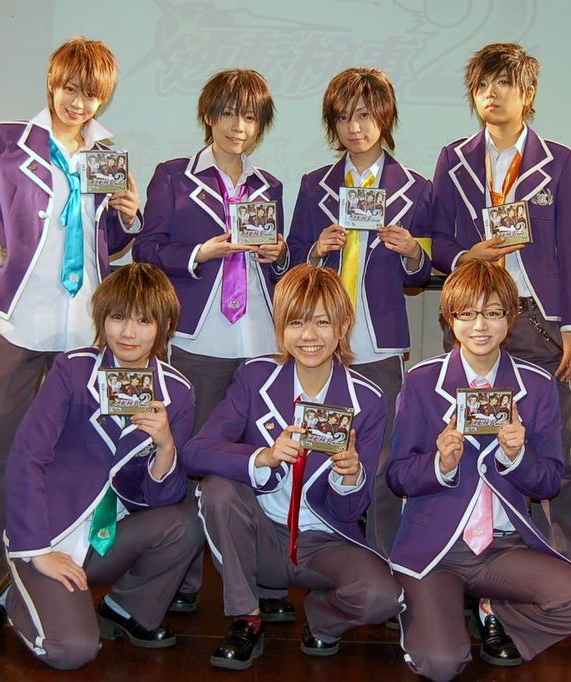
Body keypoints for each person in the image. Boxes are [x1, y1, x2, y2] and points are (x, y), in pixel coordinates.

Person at [0, 36, 142, 620]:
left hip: (84, 325)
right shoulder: (7, 141)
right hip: (21, 318)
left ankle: (64, 558)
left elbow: (107, 244)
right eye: (71, 89)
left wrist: (129, 216)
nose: (78, 103)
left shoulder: (107, 154)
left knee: (78, 446)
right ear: (52, 82)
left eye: (91, 95)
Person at [429, 43, 571, 641]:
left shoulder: (559, 160)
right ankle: (476, 583)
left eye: (504, 83)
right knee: (472, 450)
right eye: (483, 84)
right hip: (474, 322)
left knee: (554, 461)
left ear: (527, 93)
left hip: (538, 324)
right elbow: (436, 238)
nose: (492, 94)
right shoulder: (454, 158)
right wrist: (466, 255)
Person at [388, 261, 571, 681]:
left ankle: (497, 609)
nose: (480, 326)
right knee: (441, 665)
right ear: (450, 319)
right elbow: (398, 475)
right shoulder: (421, 381)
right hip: (437, 549)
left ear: (511, 317)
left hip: (503, 547)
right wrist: (440, 465)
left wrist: (518, 455)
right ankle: (430, 612)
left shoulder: (537, 385)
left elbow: (549, 482)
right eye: (467, 314)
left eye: (493, 313)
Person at [183, 264, 400, 670]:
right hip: (261, 536)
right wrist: (262, 457)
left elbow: (350, 512)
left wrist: (349, 477)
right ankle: (246, 616)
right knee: (217, 488)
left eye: (322, 322)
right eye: (296, 322)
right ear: (280, 327)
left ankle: (322, 617)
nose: (309, 335)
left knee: (382, 597)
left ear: (343, 326)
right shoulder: (254, 377)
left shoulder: (368, 400)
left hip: (324, 543)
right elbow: (196, 452)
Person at [0, 263, 203, 670]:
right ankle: (14, 594)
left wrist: (166, 446)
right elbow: (26, 458)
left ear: (164, 326)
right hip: (50, 532)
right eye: (118, 317)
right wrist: (39, 551)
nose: (128, 332)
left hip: (108, 538)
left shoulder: (178, 391)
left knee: (187, 523)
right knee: (72, 650)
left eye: (144, 320)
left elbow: (164, 500)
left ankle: (124, 610)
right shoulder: (73, 369)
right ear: (102, 317)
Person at [133, 68, 291, 616]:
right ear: (208, 116)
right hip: (199, 335)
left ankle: (264, 583)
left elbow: (278, 265)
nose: (238, 126)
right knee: (187, 456)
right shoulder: (174, 176)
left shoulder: (269, 185)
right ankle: (182, 579)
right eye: (228, 114)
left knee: (258, 462)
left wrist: (280, 256)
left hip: (259, 338)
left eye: (249, 117)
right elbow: (146, 249)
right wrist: (202, 252)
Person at [287, 67, 433, 557]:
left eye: (365, 115)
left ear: (384, 117)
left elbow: (419, 275)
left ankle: (385, 558)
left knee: (384, 454)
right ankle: (323, 550)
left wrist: (412, 252)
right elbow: (292, 263)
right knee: (319, 446)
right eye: (344, 117)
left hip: (378, 340)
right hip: (319, 341)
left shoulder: (415, 187)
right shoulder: (315, 185)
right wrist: (315, 251)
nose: (355, 127)